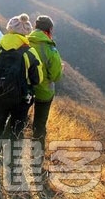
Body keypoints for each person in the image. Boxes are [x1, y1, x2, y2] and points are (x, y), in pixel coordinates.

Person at [0, 13, 43, 156]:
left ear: (9, 29)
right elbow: (38, 78)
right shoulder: (30, 52)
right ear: (27, 32)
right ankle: (12, 159)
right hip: (21, 98)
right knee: (16, 128)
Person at [27, 15, 63, 153]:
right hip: (44, 92)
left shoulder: (24, 41)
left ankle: (11, 151)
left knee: (18, 119)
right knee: (39, 125)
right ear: (49, 30)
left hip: (25, 89)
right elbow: (56, 76)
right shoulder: (50, 49)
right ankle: (36, 157)